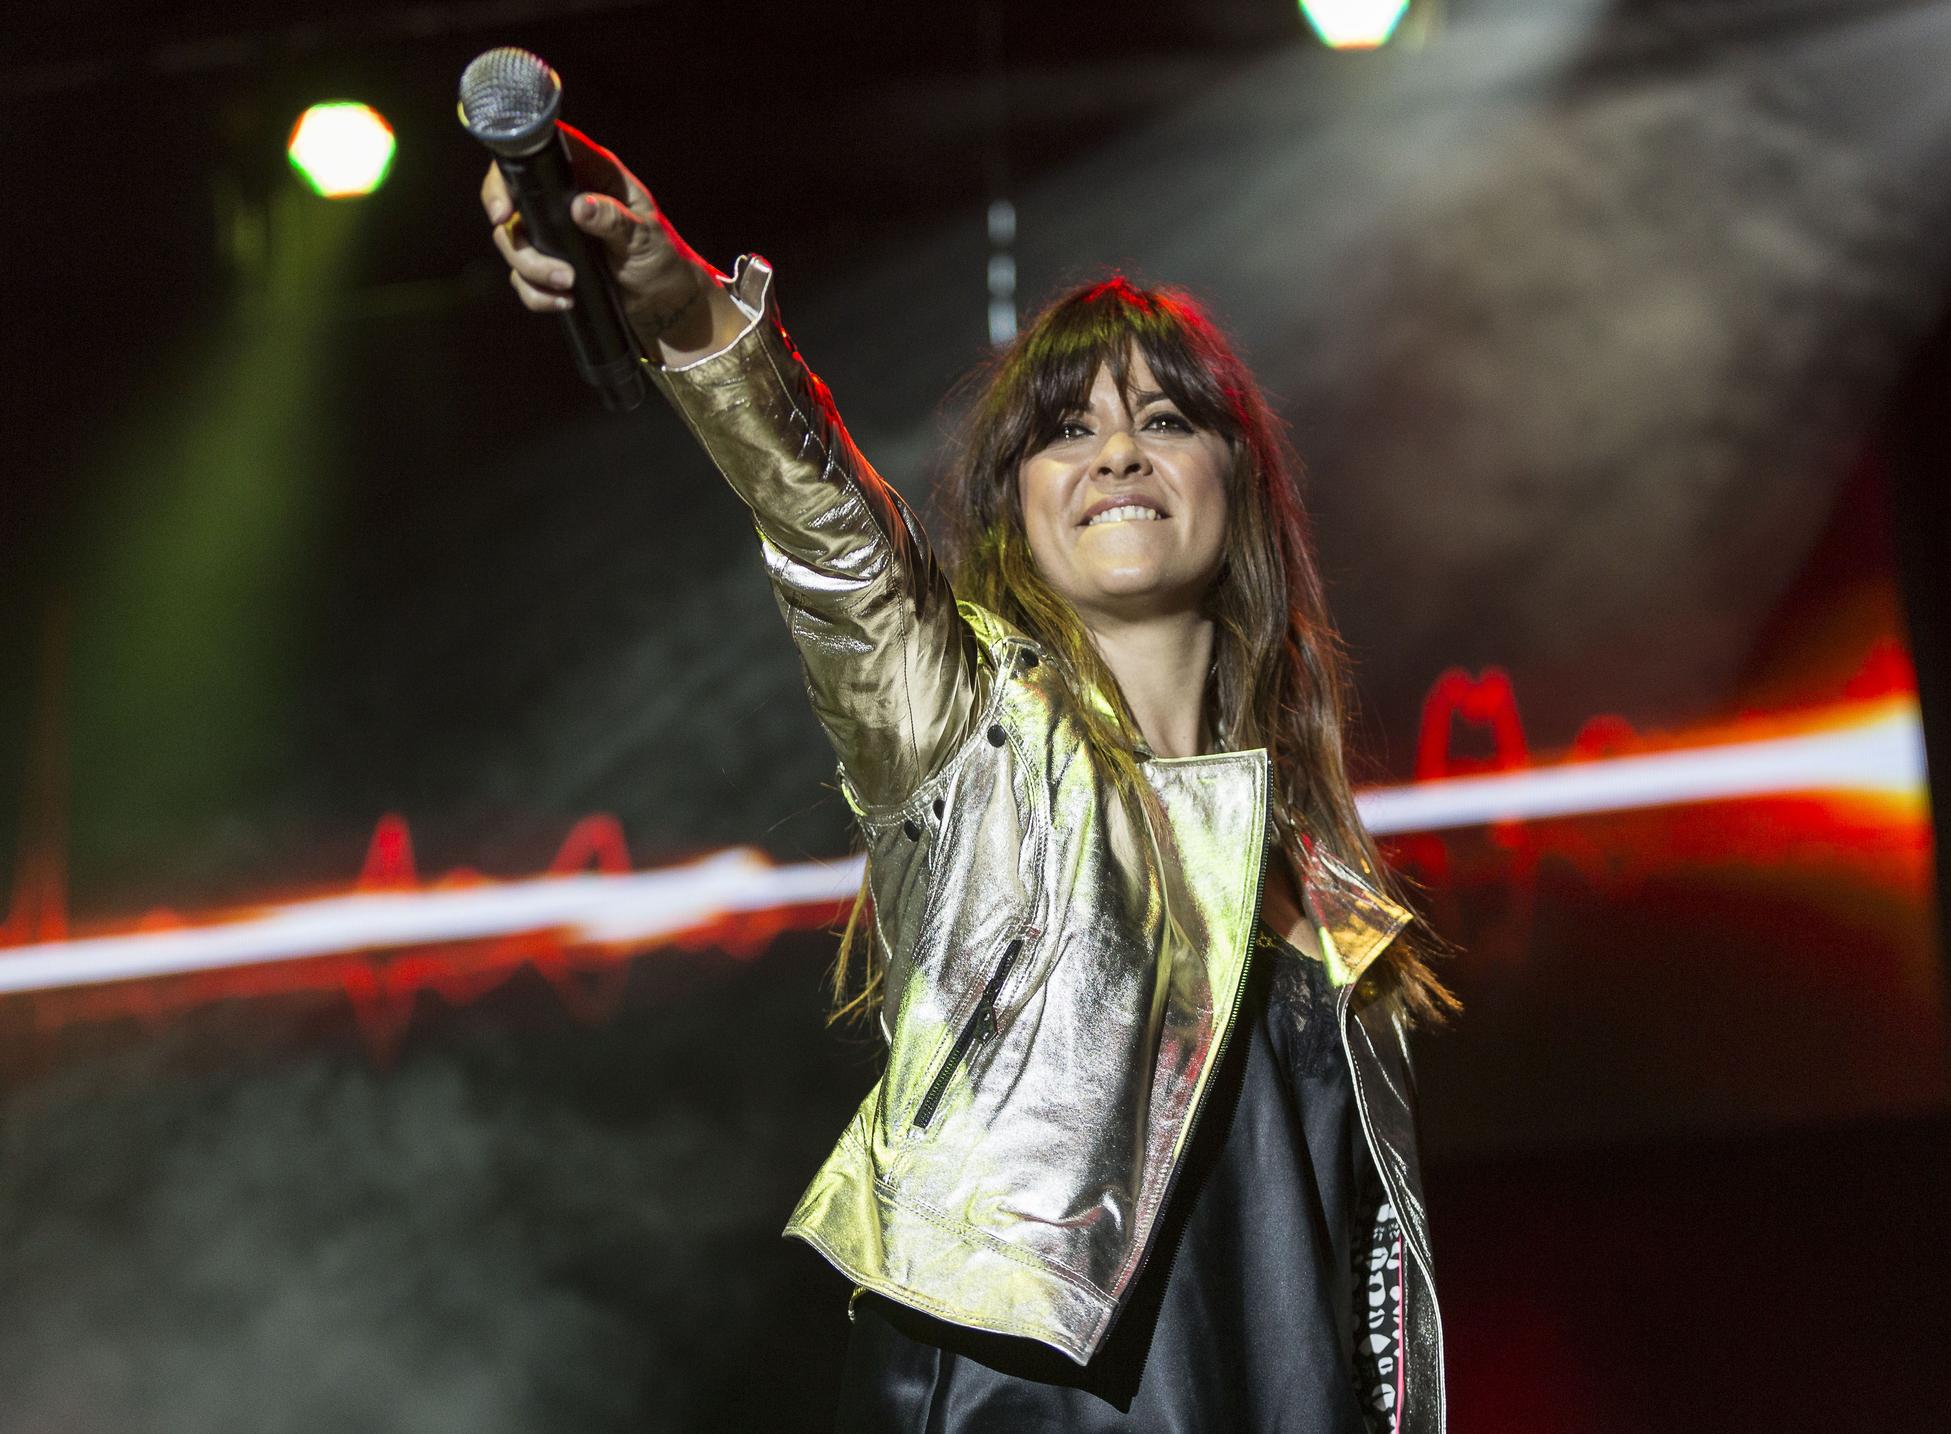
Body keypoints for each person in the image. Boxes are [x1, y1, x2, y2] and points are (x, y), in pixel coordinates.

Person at [482, 125, 1455, 1433]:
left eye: (1166, 418)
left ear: (1239, 482)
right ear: (1015, 508)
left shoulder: (1337, 912)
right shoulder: (972, 738)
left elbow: (1361, 1320)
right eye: (1067, 431)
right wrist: (686, 304)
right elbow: (826, 527)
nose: (1118, 452)